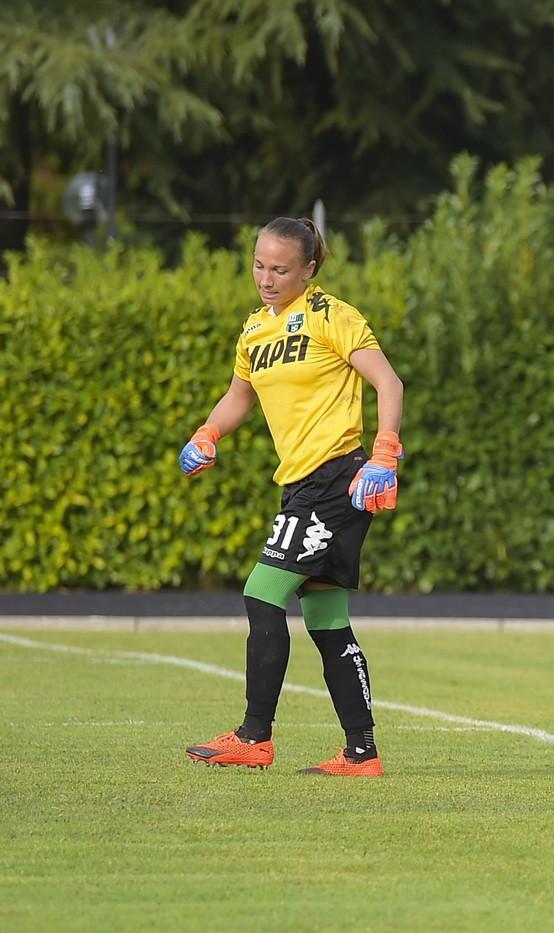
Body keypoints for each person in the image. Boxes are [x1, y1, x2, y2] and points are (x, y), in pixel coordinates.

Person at [179, 216, 404, 778]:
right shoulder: (255, 331)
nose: (267, 277)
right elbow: (239, 396)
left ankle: (255, 736)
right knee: (326, 618)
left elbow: (389, 382)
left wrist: (384, 453)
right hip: (301, 485)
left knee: (262, 590)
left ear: (309, 269)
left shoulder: (333, 316)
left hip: (337, 479)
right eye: (259, 265)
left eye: (281, 269)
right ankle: (362, 753)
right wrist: (207, 434)